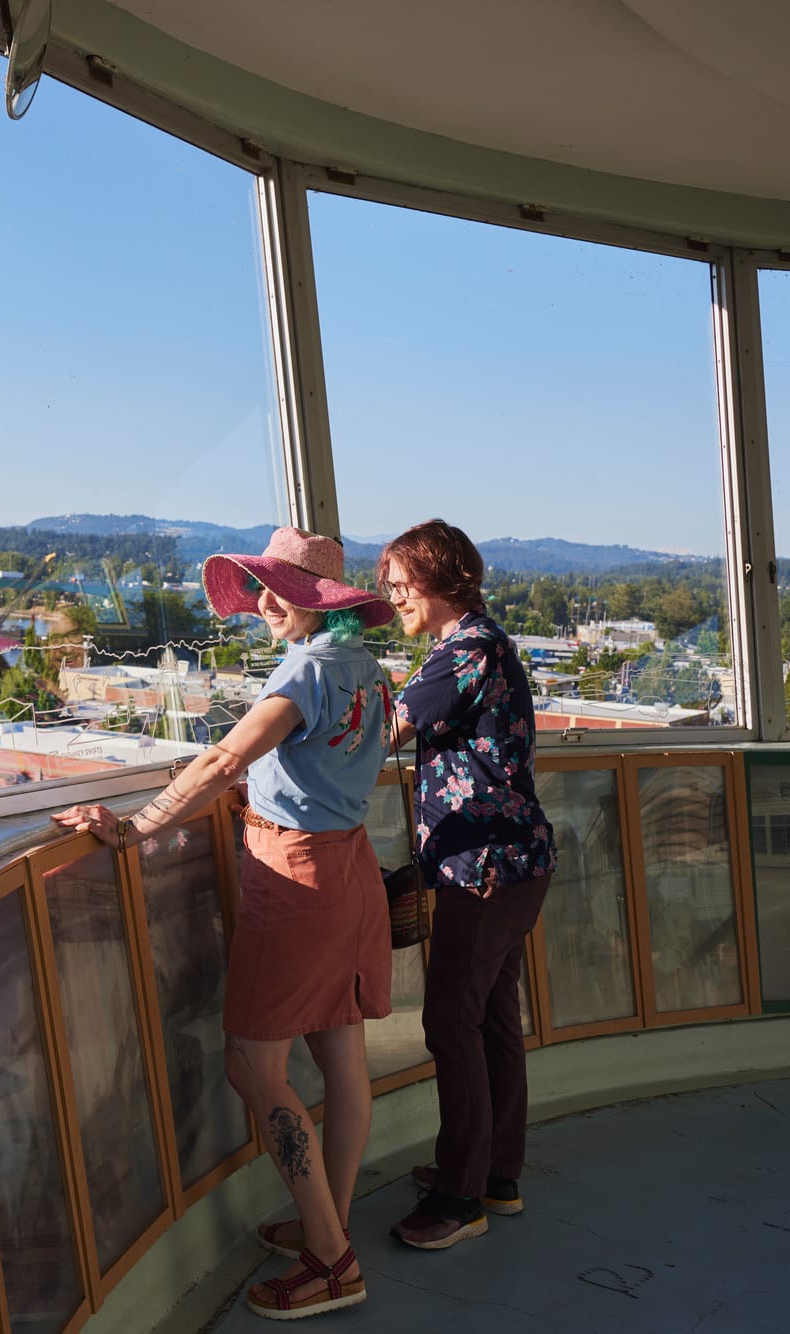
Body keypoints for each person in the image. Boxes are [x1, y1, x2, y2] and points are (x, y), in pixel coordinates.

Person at [52, 526, 395, 1321]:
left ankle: (332, 1259)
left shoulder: (306, 672)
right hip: (350, 868)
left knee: (252, 1066)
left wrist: (132, 829)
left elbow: (220, 762)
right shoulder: (367, 670)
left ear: (321, 603)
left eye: (286, 592)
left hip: (295, 881)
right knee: (342, 1056)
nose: (268, 604)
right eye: (265, 590)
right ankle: (328, 1227)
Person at [377, 519, 555, 1251]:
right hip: (514, 866)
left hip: (482, 870)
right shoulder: (489, 643)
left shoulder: (464, 651)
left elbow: (385, 729)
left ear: (435, 577)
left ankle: (459, 1198)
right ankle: (495, 1175)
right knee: (490, 1021)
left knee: (450, 1021)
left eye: (399, 586)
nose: (393, 602)